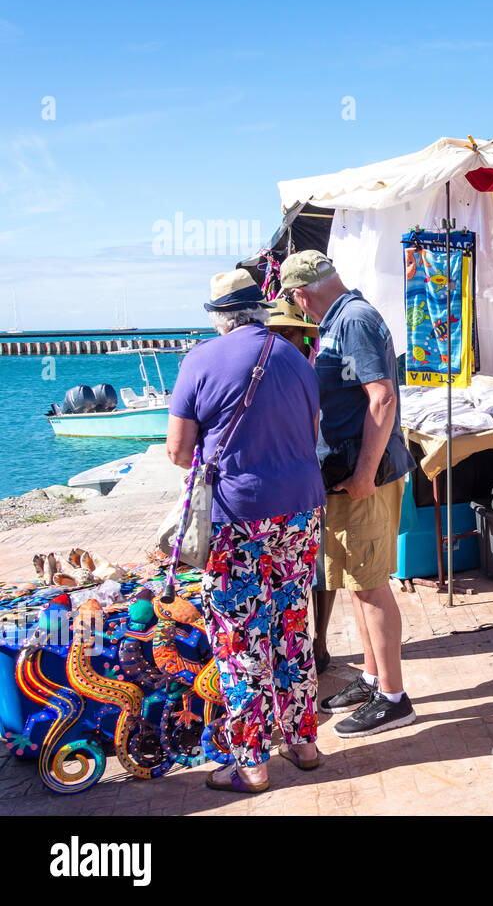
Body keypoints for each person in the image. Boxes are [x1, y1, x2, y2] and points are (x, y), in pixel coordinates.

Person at [166, 269, 328, 793]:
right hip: (301, 513)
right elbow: (308, 436)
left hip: (238, 517)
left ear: (218, 317)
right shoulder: (298, 361)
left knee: (241, 641)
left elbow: (177, 452)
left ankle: (251, 763)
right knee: (291, 627)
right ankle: (304, 743)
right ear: (260, 309)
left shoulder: (201, 360)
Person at [279, 250, 417, 738]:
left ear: (301, 294)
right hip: (347, 475)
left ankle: (394, 698)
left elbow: (382, 398)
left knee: (371, 582)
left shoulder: (353, 320)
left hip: (365, 479)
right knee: (358, 580)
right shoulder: (340, 320)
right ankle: (373, 678)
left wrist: (364, 473)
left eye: (296, 303)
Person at [266, 297, 334, 672]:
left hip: (314, 477)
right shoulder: (265, 373)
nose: (281, 338)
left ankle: (319, 643)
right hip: (291, 484)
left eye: (289, 331)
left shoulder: (315, 369)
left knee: (320, 568)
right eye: (275, 331)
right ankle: (293, 646)